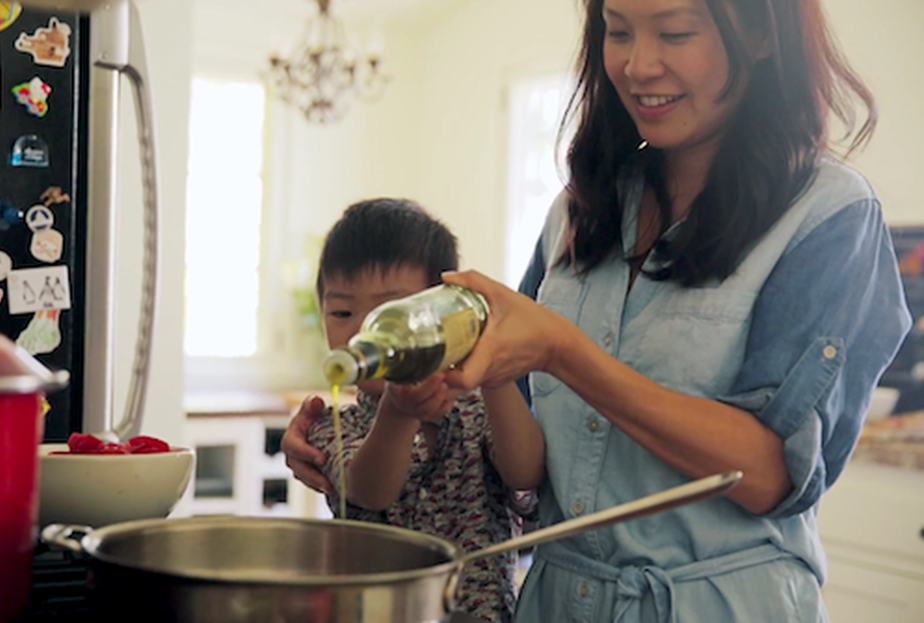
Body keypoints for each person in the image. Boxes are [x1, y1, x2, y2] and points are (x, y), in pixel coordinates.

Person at [284, 0, 913, 621]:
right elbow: (515, 452)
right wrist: (355, 441)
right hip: (557, 600)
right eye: (617, 32)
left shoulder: (828, 215)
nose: (638, 65)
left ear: (759, 32)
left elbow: (770, 473)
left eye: (674, 32)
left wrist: (564, 351)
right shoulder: (577, 213)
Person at [303, 198, 543, 623]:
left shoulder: (476, 409)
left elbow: (525, 473)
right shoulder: (329, 425)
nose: (363, 331)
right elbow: (370, 490)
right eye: (341, 312)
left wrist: (495, 373)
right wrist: (397, 412)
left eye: (389, 313)